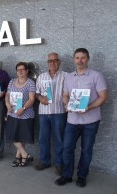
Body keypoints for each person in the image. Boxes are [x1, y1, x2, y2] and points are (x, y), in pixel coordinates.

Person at [55, 48, 108, 187]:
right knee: (67, 149)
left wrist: (89, 107)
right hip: (72, 121)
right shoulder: (69, 77)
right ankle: (67, 175)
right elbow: (65, 95)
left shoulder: (96, 76)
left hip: (90, 122)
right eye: (77, 58)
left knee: (86, 150)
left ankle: (82, 176)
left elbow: (103, 97)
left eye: (83, 57)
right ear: (74, 59)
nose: (80, 60)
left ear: (88, 59)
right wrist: (67, 104)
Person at [35, 53, 68, 175]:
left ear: (59, 62)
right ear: (47, 62)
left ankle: (59, 164)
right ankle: (45, 161)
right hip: (44, 113)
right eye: (50, 61)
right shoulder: (41, 77)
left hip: (59, 112)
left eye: (55, 61)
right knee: (43, 138)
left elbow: (70, 93)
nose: (52, 63)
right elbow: (36, 93)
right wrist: (40, 98)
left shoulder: (66, 76)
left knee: (60, 139)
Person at [5, 62, 36, 167]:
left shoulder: (30, 83)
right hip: (12, 113)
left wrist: (23, 108)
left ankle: (19, 158)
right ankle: (25, 154)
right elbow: (7, 95)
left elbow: (32, 99)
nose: (20, 71)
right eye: (18, 70)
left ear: (27, 71)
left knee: (21, 137)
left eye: (22, 69)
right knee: (12, 136)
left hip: (25, 114)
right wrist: (7, 104)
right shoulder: (12, 81)